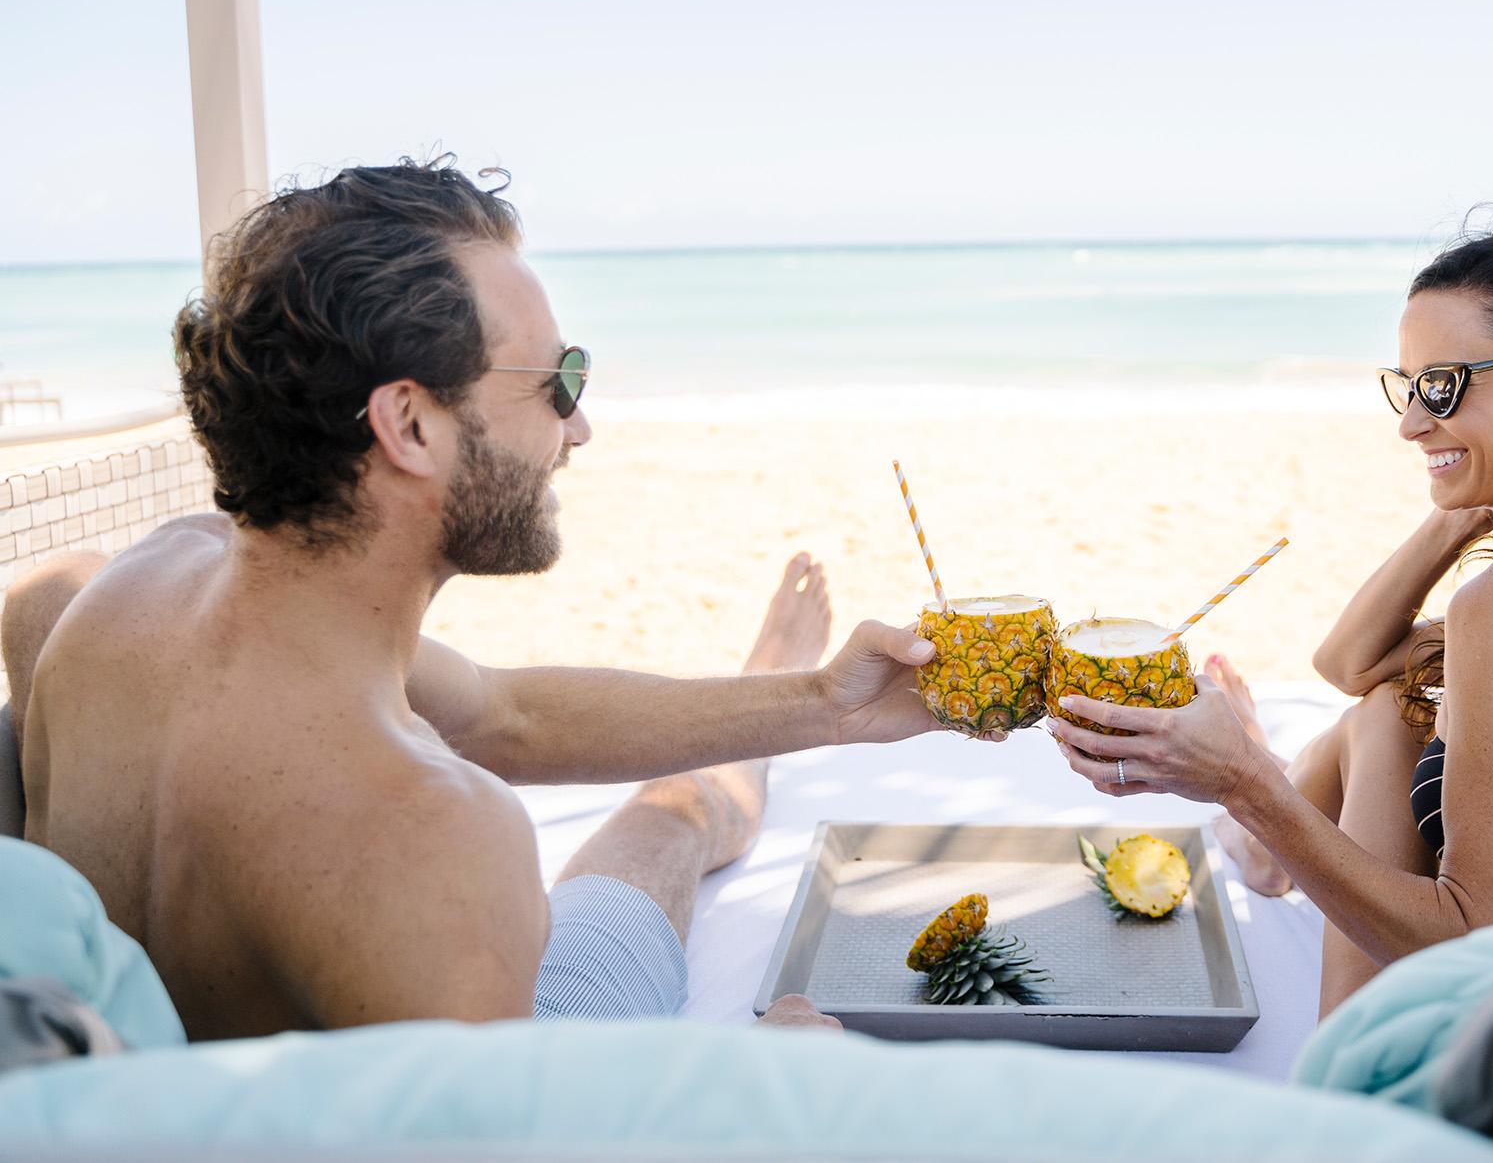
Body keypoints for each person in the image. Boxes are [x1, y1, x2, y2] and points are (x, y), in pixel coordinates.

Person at [4, 158, 952, 1040]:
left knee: (676, 796)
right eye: (558, 379)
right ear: (409, 423)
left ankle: (772, 689)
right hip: (498, 1058)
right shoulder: (438, 839)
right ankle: (713, 795)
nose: (580, 425)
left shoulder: (90, 610)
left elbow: (506, 714)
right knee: (675, 820)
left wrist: (828, 704)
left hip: (211, 1090)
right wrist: (759, 1083)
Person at [1047, 214, 1493, 1017]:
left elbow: (1480, 937)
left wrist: (1242, 781)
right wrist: (1470, 506)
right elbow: (1348, 664)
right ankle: (1258, 848)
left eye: (1445, 385)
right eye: (1409, 385)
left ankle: (1257, 833)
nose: (1412, 423)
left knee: (1377, 718)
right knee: (1387, 707)